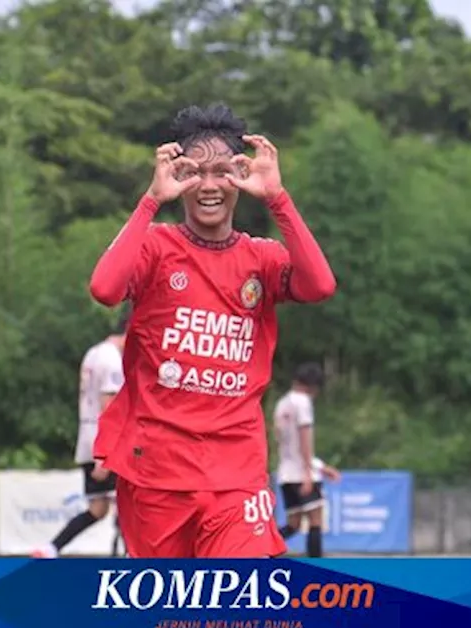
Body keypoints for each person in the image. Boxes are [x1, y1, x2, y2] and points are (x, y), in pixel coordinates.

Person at [86, 103, 337, 558]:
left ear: (239, 176)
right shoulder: (157, 248)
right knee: (171, 615)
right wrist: (150, 201)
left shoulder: (262, 258)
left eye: (221, 171)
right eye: (194, 171)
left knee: (241, 606)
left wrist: (278, 198)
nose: (208, 185)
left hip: (237, 475)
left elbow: (320, 285)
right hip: (157, 472)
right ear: (177, 176)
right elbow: (104, 289)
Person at [31, 309, 129, 558]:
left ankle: (51, 548)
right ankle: (137, 559)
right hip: (104, 444)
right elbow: (110, 407)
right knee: (131, 504)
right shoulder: (113, 361)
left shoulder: (93, 353)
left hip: (87, 440)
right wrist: (105, 454)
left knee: (98, 508)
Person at [273, 362, 341, 557]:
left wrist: (320, 466)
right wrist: (309, 473)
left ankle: (259, 552)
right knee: (315, 520)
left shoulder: (282, 404)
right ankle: (318, 566)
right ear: (313, 385)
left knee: (293, 524)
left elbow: (285, 444)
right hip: (302, 472)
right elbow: (304, 440)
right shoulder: (302, 402)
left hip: (286, 472)